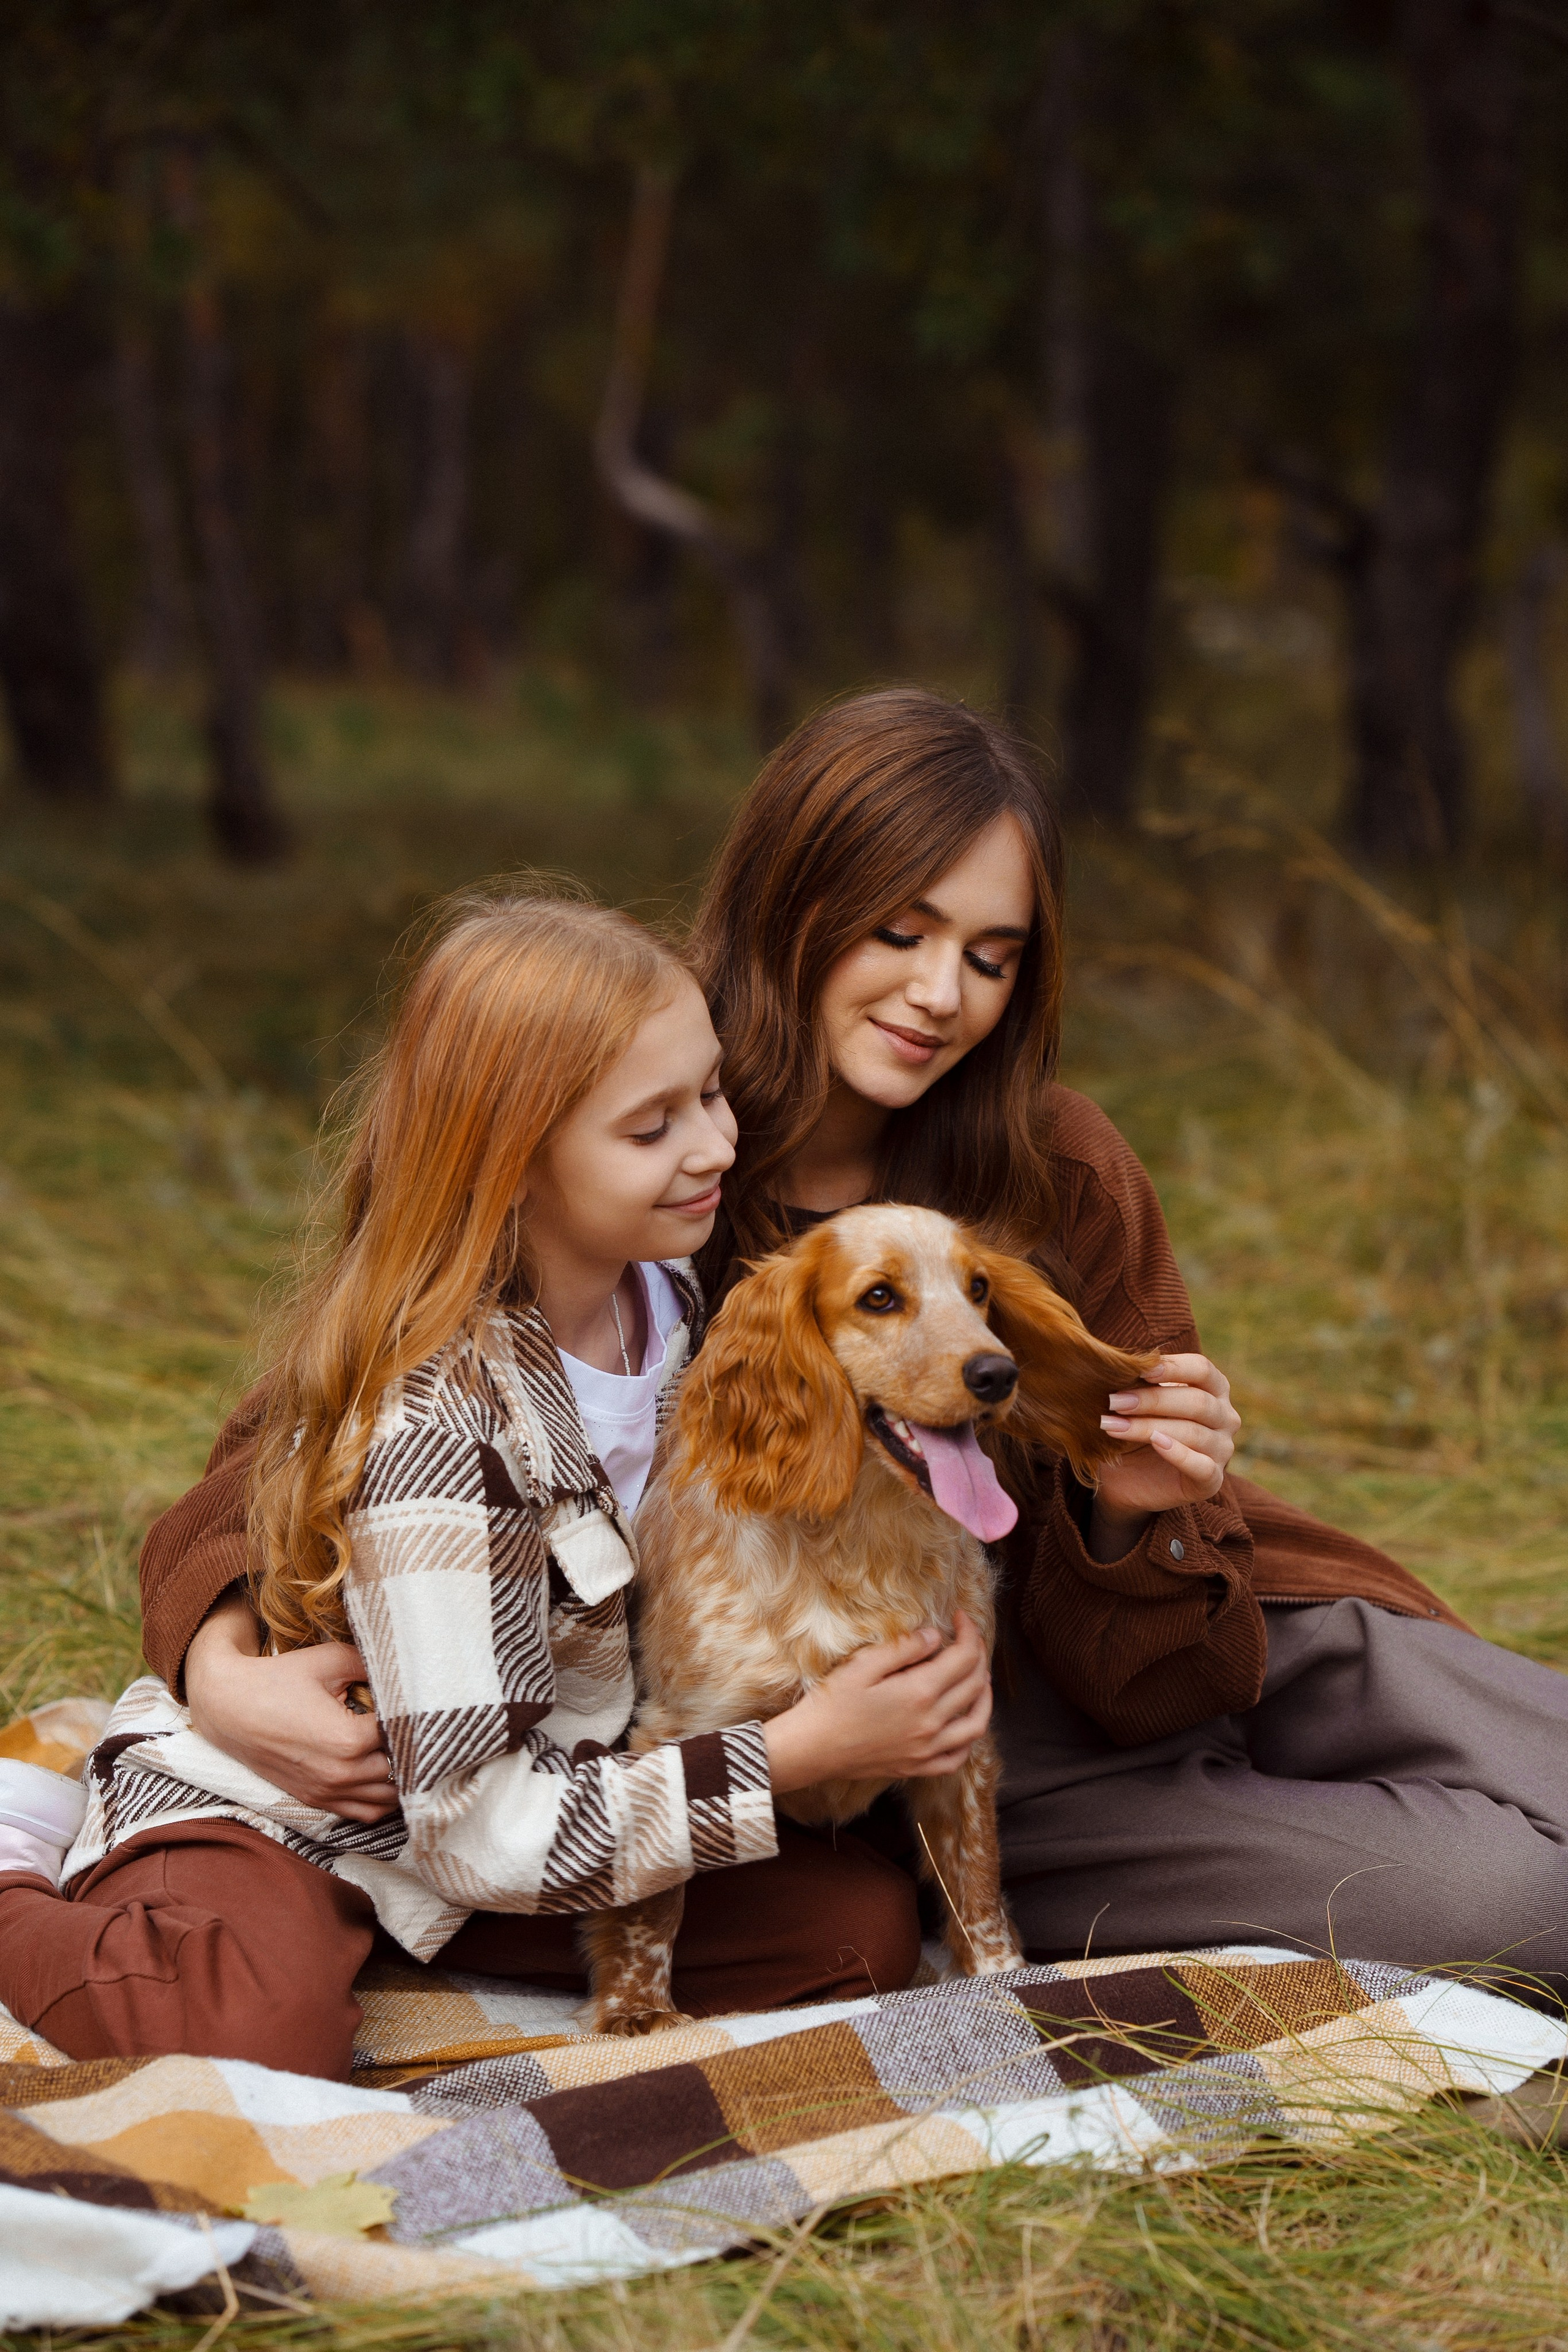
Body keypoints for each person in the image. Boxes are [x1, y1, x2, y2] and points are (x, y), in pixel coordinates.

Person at [91, 690, 1568, 2003]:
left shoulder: (1051, 1161)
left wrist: (1135, 1504)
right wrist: (221, 1658)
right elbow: (322, 1421)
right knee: (1515, 1902)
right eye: (898, 931)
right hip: (948, 1716)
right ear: (791, 903)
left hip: (1178, 1617)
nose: (942, 995)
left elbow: (1167, 1589)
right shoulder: (636, 1119)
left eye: (991, 955)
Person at [0, 891, 997, 2076]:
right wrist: (784, 1760)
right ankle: (31, 1871)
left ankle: (371, 1946)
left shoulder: (676, 1310)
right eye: (651, 1128)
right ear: (513, 1162)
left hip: (523, 1804)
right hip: (312, 1810)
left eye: (713, 1094)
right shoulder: (439, 1431)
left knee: (853, 1935)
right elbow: (475, 1824)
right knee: (251, 2029)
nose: (718, 1146)